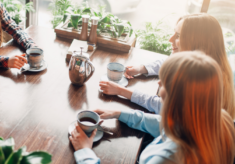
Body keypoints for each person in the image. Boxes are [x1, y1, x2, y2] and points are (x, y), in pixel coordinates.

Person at [71, 51, 235, 164]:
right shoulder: (218, 118)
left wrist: (84, 152)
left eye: (163, 81)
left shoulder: (165, 158)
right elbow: (165, 124)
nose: (158, 83)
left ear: (176, 96)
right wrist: (119, 114)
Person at [99, 13, 235, 118]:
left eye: (178, 35)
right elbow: (168, 60)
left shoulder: (200, 79)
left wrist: (121, 91)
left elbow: (163, 107)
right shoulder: (205, 62)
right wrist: (141, 68)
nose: (170, 39)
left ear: (198, 43)